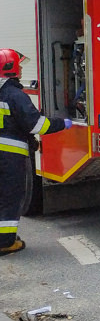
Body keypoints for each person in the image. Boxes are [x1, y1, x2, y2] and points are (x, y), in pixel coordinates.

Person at [1, 49, 70, 256]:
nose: (21, 68)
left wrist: (29, 141)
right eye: (18, 65)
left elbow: (9, 123)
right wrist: (62, 123)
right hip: (9, 158)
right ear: (10, 68)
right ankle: (5, 242)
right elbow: (37, 124)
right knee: (11, 197)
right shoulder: (15, 95)